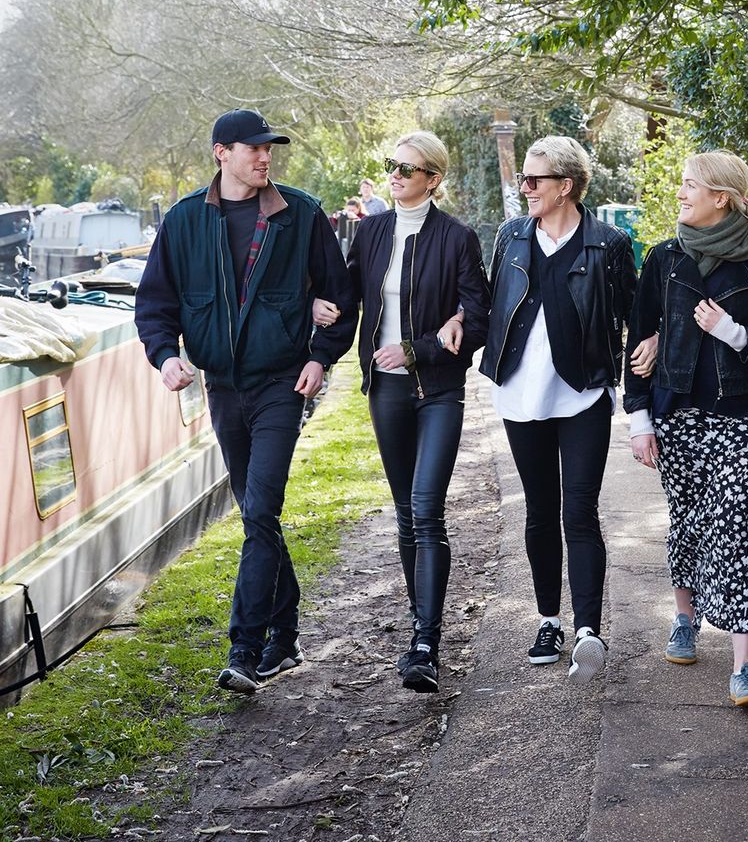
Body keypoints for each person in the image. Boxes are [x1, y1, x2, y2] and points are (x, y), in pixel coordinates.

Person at [136, 109, 356, 694]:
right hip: (221, 390)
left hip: (282, 386)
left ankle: (245, 649)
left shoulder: (301, 215)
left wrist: (319, 357)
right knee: (258, 515)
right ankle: (285, 635)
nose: (265, 158)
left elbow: (340, 297)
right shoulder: (184, 222)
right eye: (254, 149)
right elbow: (154, 306)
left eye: (270, 150)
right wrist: (165, 357)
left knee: (260, 512)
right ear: (221, 153)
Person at [624, 149, 748, 709]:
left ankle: (744, 667)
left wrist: (736, 332)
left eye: (689, 185)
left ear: (720, 198)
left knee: (734, 526)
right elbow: (639, 341)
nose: (680, 192)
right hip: (676, 416)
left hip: (739, 415)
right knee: (687, 522)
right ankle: (684, 618)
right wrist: (639, 420)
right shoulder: (663, 259)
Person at [481, 136, 637, 685]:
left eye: (534, 180)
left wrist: (650, 347)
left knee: (580, 512)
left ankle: (588, 631)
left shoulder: (608, 244)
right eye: (523, 179)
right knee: (540, 511)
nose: (524, 189)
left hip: (583, 393)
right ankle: (548, 619)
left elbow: (632, 314)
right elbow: (490, 302)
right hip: (521, 391)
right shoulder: (511, 236)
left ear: (565, 186)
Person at [345, 132, 490, 695]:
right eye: (391, 165)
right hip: (386, 391)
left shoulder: (457, 238)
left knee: (427, 509)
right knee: (406, 513)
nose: (397, 174)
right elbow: (345, 290)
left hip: (438, 391)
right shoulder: (372, 230)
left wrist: (420, 347)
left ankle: (426, 643)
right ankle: (419, 628)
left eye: (409, 167)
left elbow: (475, 319)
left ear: (434, 178)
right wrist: (316, 306)